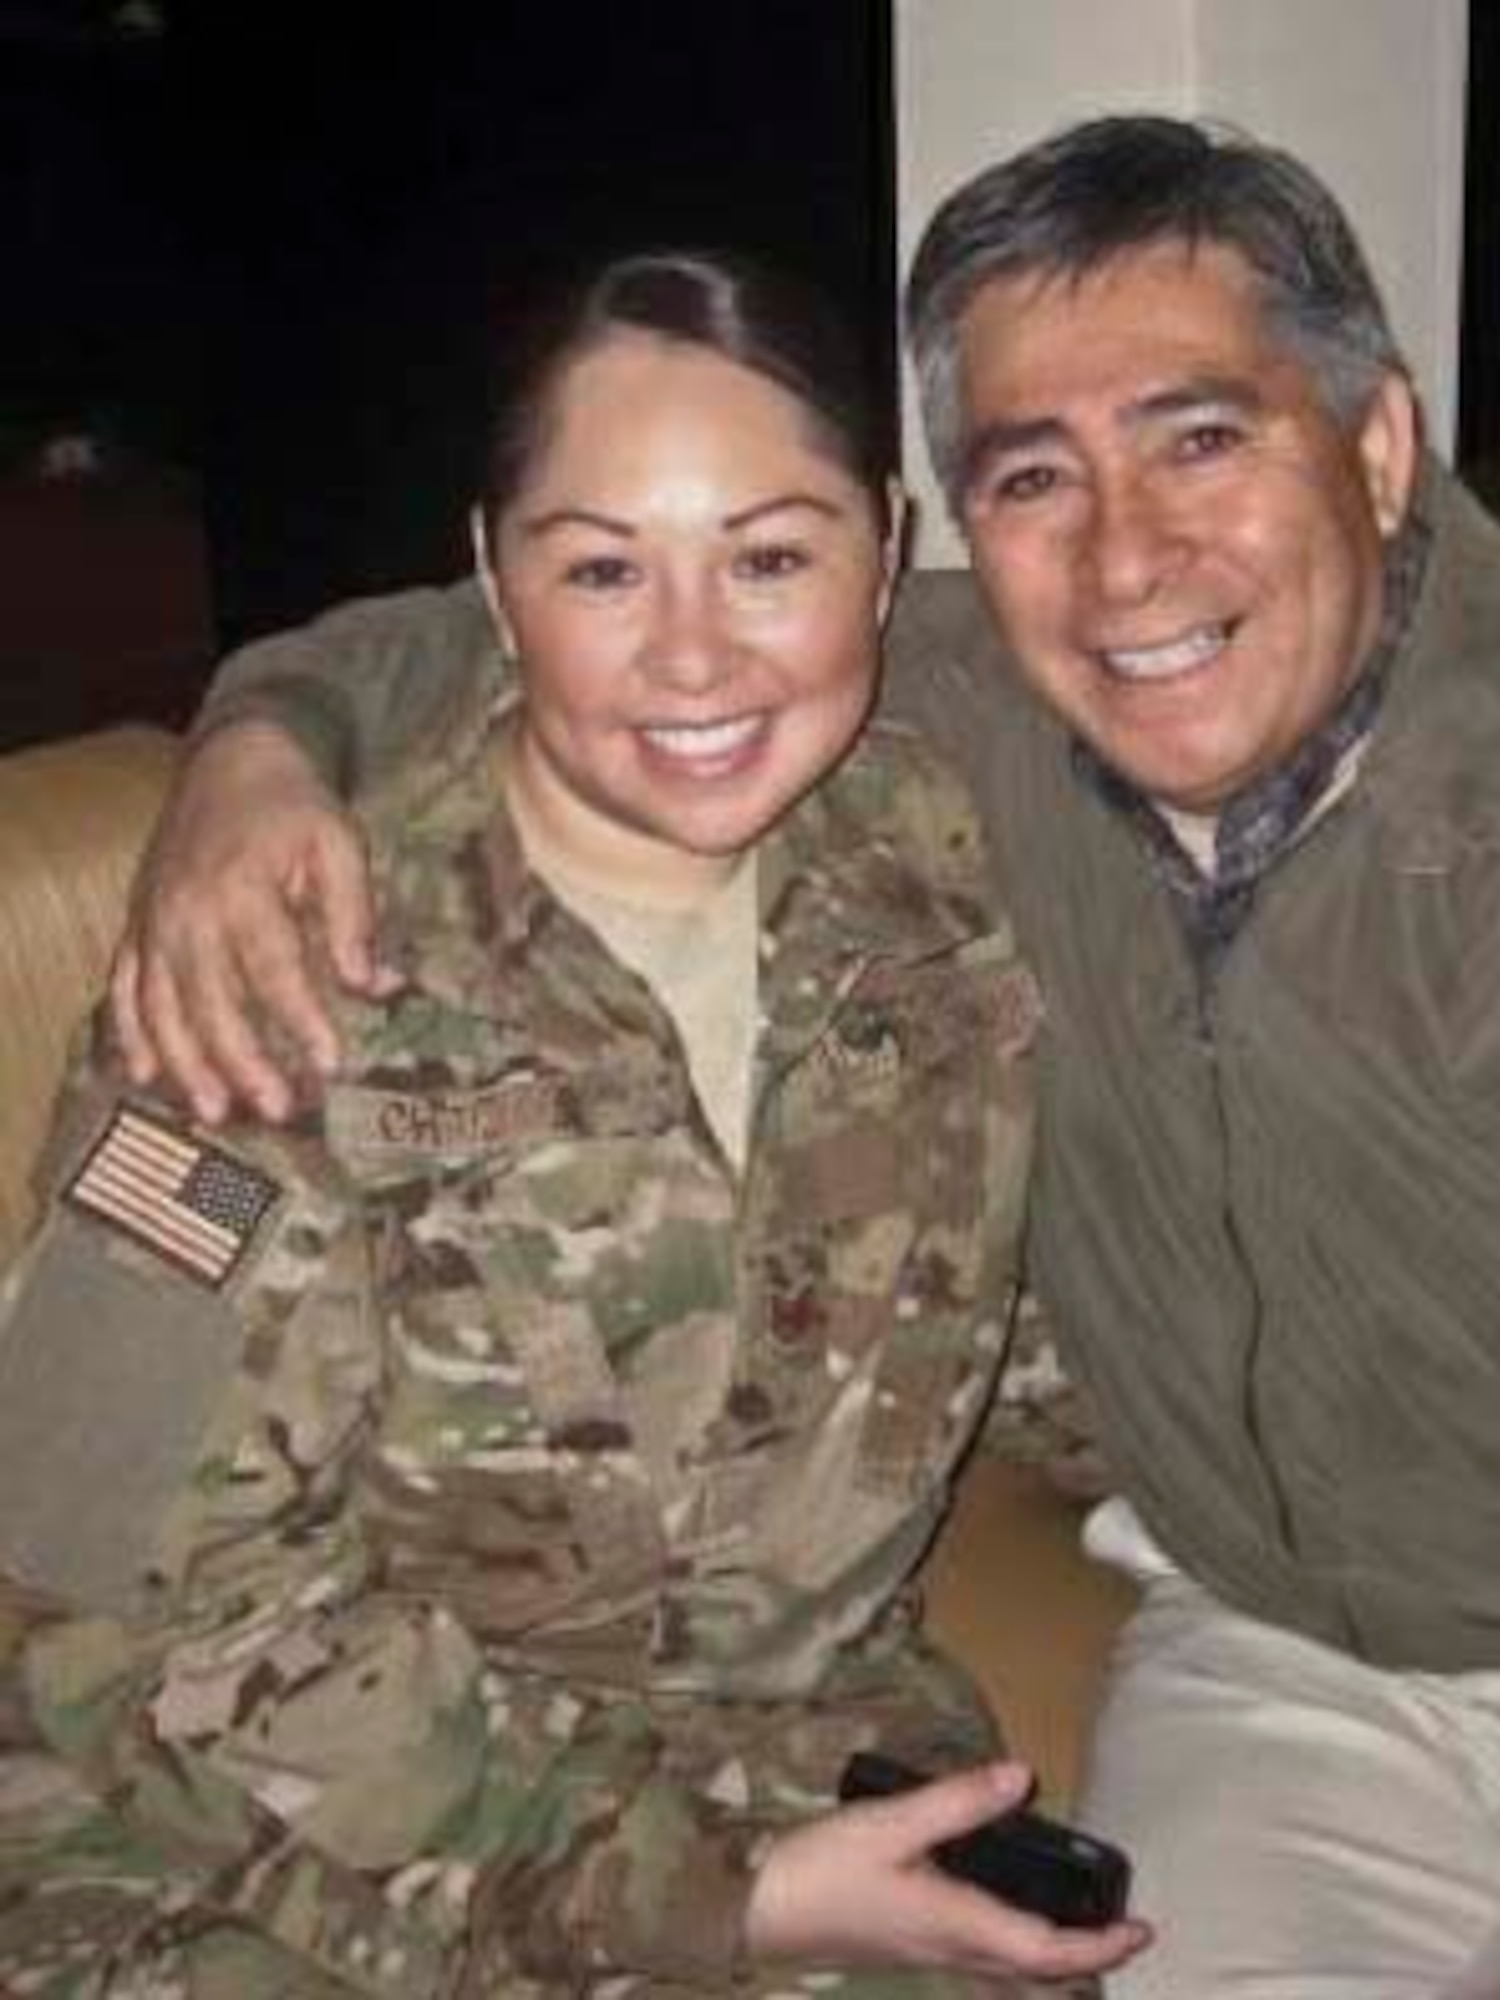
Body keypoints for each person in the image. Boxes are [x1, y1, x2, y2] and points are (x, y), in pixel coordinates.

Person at [108, 116, 1500, 2000]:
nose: (1126, 564)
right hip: (1244, 1666)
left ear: (1378, 445)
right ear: (955, 532)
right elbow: (99, 1573)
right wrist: (262, 739)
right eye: (1036, 477)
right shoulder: (865, 753)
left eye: (1200, 438)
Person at [0, 247, 1152, 1997]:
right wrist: (702, 1902)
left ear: (886, 550)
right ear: (487, 578)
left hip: (778, 1752)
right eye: (603, 568)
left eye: (770, 558)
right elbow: (121, 1617)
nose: (692, 656)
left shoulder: (934, 870)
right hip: (249, 1829)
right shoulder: (271, 975)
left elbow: (1007, 1304)